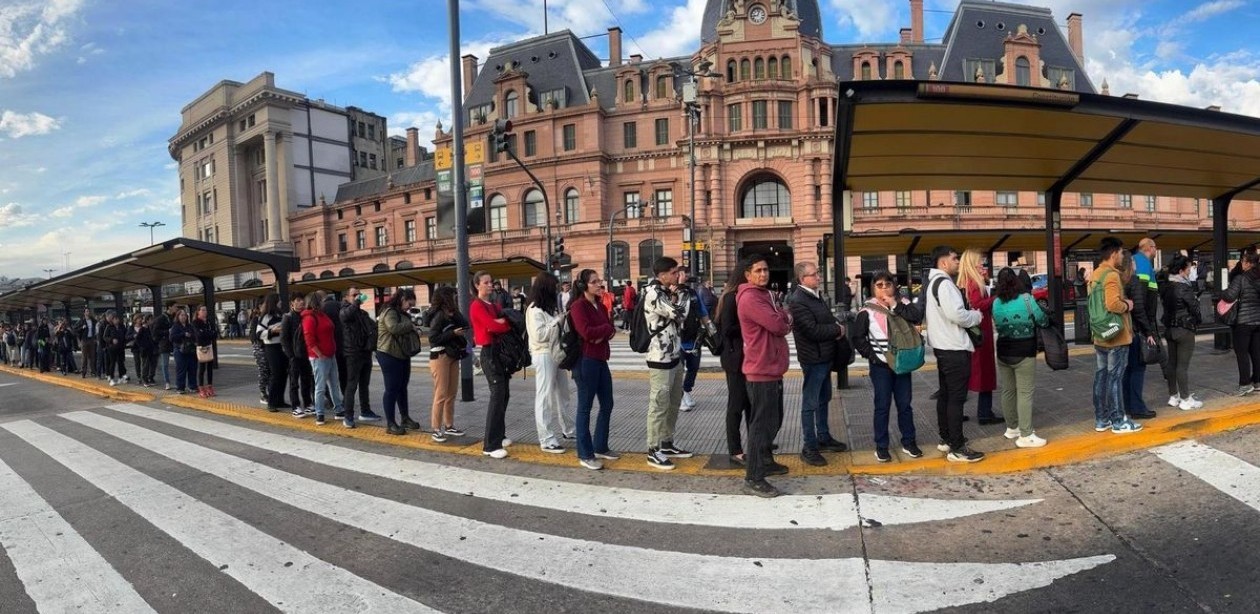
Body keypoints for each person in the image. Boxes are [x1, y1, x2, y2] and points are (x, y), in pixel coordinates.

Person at [737, 255, 794, 497]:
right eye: (758, 270)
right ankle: (754, 477)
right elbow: (780, 325)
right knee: (761, 426)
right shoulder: (750, 298)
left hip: (771, 367)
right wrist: (784, 316)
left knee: (775, 420)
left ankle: (765, 462)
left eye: (766, 269)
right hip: (760, 370)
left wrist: (782, 315)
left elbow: (781, 317)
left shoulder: (764, 296)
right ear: (748, 275)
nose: (764, 274)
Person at [853, 270, 924, 462]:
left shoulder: (904, 304)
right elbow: (858, 338)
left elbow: (917, 317)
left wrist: (894, 303)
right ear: (872, 288)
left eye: (887, 284)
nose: (884, 288)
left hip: (903, 363)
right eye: (879, 285)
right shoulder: (867, 310)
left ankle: (909, 442)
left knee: (905, 405)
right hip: (881, 367)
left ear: (894, 285)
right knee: (882, 406)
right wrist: (873, 357)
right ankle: (881, 445)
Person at [924, 245, 985, 462]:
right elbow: (957, 315)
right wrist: (976, 316)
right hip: (954, 348)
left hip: (943, 347)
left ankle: (946, 438)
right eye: (954, 258)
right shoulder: (945, 285)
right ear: (943, 263)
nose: (958, 261)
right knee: (956, 399)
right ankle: (958, 447)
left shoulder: (932, 283)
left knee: (946, 395)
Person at [787, 261, 849, 466]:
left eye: (817, 274)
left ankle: (823, 436)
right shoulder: (798, 300)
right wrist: (837, 330)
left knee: (824, 398)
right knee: (810, 402)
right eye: (814, 275)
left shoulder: (816, 295)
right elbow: (811, 330)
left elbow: (826, 319)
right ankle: (809, 445)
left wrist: (834, 325)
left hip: (824, 356)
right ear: (802, 279)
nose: (818, 277)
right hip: (813, 358)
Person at [642, 257, 692, 470]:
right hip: (659, 357)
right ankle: (653, 449)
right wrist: (682, 289)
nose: (676, 275)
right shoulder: (654, 293)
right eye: (673, 272)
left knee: (673, 402)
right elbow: (680, 313)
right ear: (662, 275)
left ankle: (667, 442)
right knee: (659, 404)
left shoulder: (664, 293)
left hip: (673, 354)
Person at [991, 267, 1049, 448]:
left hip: (1003, 351)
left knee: (1008, 390)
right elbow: (1041, 319)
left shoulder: (996, 303)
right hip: (1024, 350)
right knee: (1025, 393)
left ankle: (1012, 428)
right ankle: (1026, 434)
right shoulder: (1026, 299)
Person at [1090, 240, 1142, 433]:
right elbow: (1112, 304)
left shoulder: (1095, 274)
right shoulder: (1111, 275)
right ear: (1113, 254)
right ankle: (1119, 420)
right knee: (1115, 378)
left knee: (1101, 376)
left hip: (1100, 333)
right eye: (1121, 253)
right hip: (1116, 335)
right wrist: (1127, 304)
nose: (1122, 257)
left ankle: (1102, 419)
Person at [569, 268, 618, 470]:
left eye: (599, 281)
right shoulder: (578, 306)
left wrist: (603, 333)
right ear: (584, 285)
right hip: (585, 361)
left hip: (600, 359)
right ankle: (585, 452)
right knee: (585, 407)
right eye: (594, 282)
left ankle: (600, 446)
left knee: (607, 403)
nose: (599, 284)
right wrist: (603, 332)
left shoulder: (600, 305)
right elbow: (587, 332)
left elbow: (611, 329)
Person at [526, 272, 572, 454]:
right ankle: (546, 438)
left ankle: (568, 429)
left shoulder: (548, 308)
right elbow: (539, 335)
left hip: (556, 351)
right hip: (543, 353)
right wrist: (558, 321)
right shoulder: (534, 310)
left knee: (563, 393)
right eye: (553, 287)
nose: (557, 290)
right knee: (544, 396)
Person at [471, 271, 513, 458]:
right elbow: (494, 326)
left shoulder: (494, 305)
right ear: (477, 285)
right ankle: (490, 445)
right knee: (497, 394)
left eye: (491, 282)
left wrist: (500, 323)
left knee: (504, 394)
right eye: (486, 282)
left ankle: (500, 435)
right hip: (488, 353)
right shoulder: (476, 306)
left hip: (500, 352)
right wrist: (499, 323)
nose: (490, 285)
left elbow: (507, 323)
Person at [958, 249, 1001, 425]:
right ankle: (984, 413)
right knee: (985, 371)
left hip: (972, 331)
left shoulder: (964, 281)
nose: (982, 264)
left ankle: (960, 411)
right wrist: (994, 298)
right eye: (979, 261)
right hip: (981, 330)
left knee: (967, 374)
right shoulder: (974, 282)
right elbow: (978, 304)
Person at [716, 269, 750, 466]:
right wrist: (750, 324)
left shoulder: (739, 296)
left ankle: (754, 441)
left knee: (750, 403)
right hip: (734, 357)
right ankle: (735, 449)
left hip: (743, 356)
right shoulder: (731, 298)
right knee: (736, 404)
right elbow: (728, 328)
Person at [426, 286, 469, 441]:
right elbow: (433, 338)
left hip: (452, 355)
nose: (456, 297)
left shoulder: (450, 313)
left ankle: (449, 426)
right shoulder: (438, 315)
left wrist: (454, 311)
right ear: (446, 297)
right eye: (453, 295)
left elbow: (465, 323)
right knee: (441, 393)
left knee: (451, 393)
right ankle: (436, 428)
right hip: (440, 356)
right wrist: (452, 333)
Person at [377, 288, 422, 435]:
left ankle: (405, 418)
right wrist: (411, 326)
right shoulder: (390, 312)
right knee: (391, 389)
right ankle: (390, 424)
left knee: (402, 388)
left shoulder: (402, 313)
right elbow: (393, 328)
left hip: (402, 354)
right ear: (402, 299)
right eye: (409, 304)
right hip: (389, 354)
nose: (410, 308)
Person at [1161, 254, 1203, 410]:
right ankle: (1186, 399)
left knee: (1172, 363)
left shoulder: (1166, 287)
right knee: (1182, 366)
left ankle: (1173, 396)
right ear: (1182, 270)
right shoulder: (1184, 288)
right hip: (1184, 329)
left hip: (1170, 329)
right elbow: (1194, 309)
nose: (1190, 270)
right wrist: (1197, 320)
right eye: (1188, 268)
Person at [1122, 256, 1158, 420]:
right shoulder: (1134, 281)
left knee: (1126, 370)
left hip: (1122, 332)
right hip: (1135, 331)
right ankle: (1137, 407)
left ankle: (1127, 406)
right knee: (1137, 369)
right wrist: (1149, 332)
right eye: (1134, 262)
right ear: (1131, 265)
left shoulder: (1119, 281)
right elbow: (1139, 309)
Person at [303, 293, 345, 426]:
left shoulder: (322, 315)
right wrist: (320, 354)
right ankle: (320, 413)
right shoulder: (309, 318)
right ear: (316, 302)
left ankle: (338, 408)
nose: (324, 303)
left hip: (330, 355)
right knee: (320, 386)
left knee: (334, 383)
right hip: (319, 357)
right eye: (321, 301)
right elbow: (309, 339)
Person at [340, 287, 381, 423]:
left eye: (359, 294)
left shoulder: (362, 313)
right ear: (347, 297)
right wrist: (356, 303)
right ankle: (348, 416)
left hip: (365, 352)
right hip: (353, 353)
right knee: (352, 385)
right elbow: (346, 316)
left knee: (364, 384)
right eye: (354, 295)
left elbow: (372, 327)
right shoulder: (345, 310)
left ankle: (365, 411)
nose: (358, 297)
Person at [1222, 251, 1260, 395]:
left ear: (1249, 263)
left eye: (1243, 261)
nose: (1242, 264)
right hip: (1258, 321)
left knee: (1242, 353)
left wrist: (1223, 292)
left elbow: (1230, 295)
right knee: (1256, 352)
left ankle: (1245, 384)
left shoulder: (1241, 278)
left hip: (1243, 322)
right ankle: (1257, 381)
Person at [675, 268, 710, 412]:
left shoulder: (693, 294)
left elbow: (703, 312)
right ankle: (680, 396)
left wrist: (712, 331)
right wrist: (678, 287)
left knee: (693, 367)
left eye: (687, 275)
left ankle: (687, 390)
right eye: (683, 275)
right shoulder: (672, 293)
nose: (686, 278)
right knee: (678, 370)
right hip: (678, 340)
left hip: (694, 338)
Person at [282, 292, 315, 417]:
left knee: (306, 380)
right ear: (292, 303)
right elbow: (284, 339)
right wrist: (291, 355)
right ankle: (295, 406)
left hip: (306, 354)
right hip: (295, 355)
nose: (301, 302)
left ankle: (308, 404)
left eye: (302, 300)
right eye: (298, 300)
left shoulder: (306, 316)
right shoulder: (288, 317)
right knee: (294, 382)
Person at [257, 293, 290, 412]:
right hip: (271, 348)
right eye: (279, 300)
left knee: (283, 374)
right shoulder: (266, 316)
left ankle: (280, 400)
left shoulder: (281, 314)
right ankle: (271, 402)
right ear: (274, 302)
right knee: (275, 374)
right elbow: (259, 334)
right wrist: (272, 330)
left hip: (282, 347)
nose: (281, 302)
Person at [321, 290, 348, 401]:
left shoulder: (322, 309)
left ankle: (330, 397)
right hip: (343, 344)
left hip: (329, 344)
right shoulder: (340, 305)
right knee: (343, 372)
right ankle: (346, 395)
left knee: (328, 374)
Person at [192, 305, 218, 397]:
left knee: (210, 368)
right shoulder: (195, 322)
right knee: (202, 368)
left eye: (205, 310)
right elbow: (199, 335)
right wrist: (208, 333)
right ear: (198, 312)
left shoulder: (209, 322)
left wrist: (207, 333)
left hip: (209, 345)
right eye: (202, 310)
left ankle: (210, 387)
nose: (205, 312)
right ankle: (201, 388)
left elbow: (215, 333)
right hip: (201, 347)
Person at [169, 308, 196, 394]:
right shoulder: (175, 326)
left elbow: (195, 336)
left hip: (190, 350)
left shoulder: (190, 326)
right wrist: (183, 334)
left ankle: (192, 386)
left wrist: (191, 336)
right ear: (178, 316)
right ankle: (180, 387)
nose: (184, 317)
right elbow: (172, 338)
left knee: (192, 368)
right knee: (181, 369)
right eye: (182, 315)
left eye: (185, 315)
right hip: (180, 350)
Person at [247, 303, 270, 405]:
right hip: (260, 348)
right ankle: (263, 393)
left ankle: (269, 392)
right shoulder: (256, 319)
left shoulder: (267, 317)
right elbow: (253, 336)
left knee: (269, 371)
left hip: (268, 348)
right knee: (264, 371)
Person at [150, 302, 176, 390]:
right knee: (165, 364)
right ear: (169, 307)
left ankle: (176, 382)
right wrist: (167, 331)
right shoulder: (161, 318)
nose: (176, 308)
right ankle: (167, 382)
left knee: (179, 364)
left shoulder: (175, 317)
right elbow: (155, 331)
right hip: (164, 343)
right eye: (175, 306)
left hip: (174, 343)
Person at [130, 314, 155, 387]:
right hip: (144, 350)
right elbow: (137, 339)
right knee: (145, 365)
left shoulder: (148, 328)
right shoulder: (143, 329)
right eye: (150, 320)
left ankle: (146, 379)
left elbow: (150, 339)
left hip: (149, 349)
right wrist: (142, 346)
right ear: (147, 321)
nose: (152, 321)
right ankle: (145, 380)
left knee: (147, 365)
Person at [75, 309, 99, 379]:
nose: (88, 313)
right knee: (84, 357)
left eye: (89, 311)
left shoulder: (93, 321)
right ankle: (83, 372)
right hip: (84, 340)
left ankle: (93, 371)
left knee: (92, 356)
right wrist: (82, 328)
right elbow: (75, 329)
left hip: (91, 339)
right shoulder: (81, 321)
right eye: (87, 311)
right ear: (84, 313)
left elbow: (97, 325)